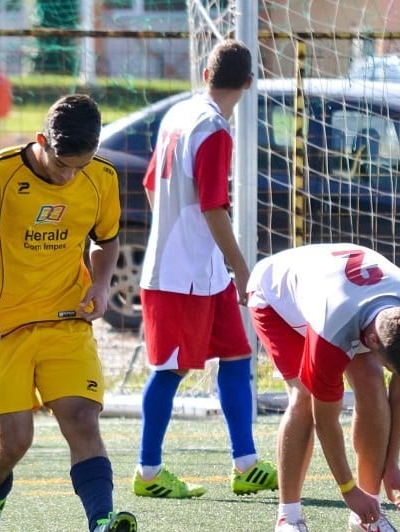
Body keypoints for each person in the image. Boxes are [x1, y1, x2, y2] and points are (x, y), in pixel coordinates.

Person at [0, 94, 137, 532]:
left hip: (66, 321)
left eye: (80, 166)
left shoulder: (103, 177)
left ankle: (101, 529)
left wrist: (99, 283)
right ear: (40, 142)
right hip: (3, 327)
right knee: (14, 441)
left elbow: (107, 240)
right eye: (61, 165)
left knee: (81, 419)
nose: (69, 176)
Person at [134, 39, 277, 500]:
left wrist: (194, 246)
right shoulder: (214, 129)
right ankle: (148, 472)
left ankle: (246, 464)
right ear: (249, 84)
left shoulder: (178, 114)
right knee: (169, 370)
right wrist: (240, 267)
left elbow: (152, 184)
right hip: (180, 277)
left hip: (203, 270)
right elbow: (214, 207)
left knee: (237, 357)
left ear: (205, 74)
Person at [246, 243, 400, 532]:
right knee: (304, 399)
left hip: (344, 294)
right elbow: (326, 421)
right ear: (373, 340)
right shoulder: (331, 330)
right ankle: (289, 519)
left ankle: (369, 515)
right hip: (276, 296)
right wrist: (348, 490)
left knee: (373, 380)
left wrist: (391, 465)